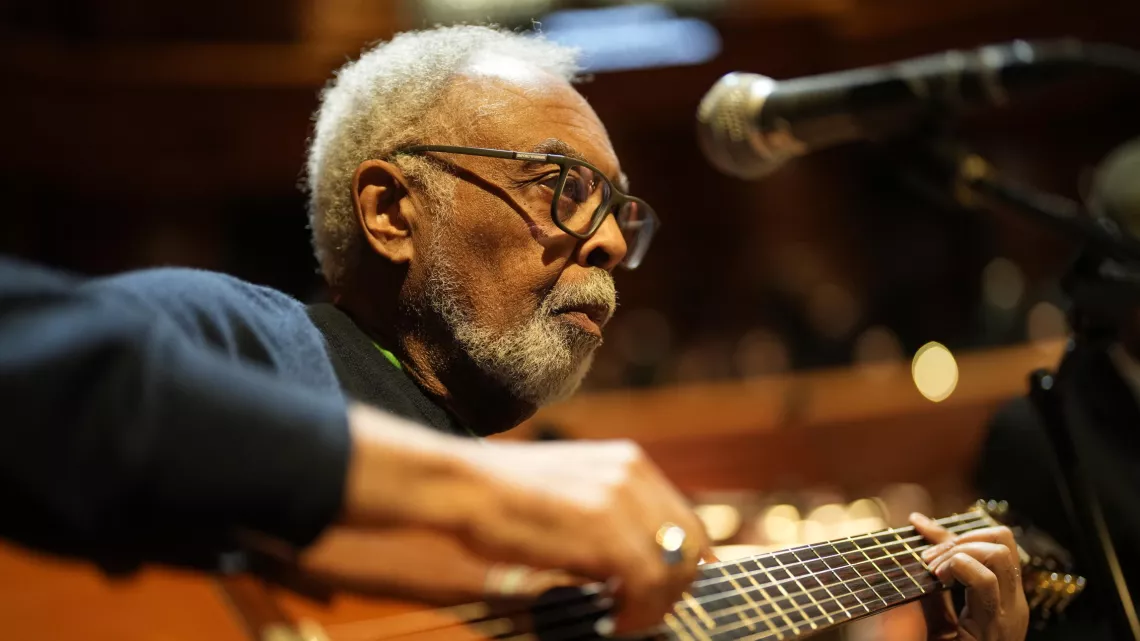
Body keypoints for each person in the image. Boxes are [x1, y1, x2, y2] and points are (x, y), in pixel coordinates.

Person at [2, 24, 1029, 639]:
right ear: (392, 212)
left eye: (621, 213)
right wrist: (472, 491)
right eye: (563, 187)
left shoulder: (547, 518)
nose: (611, 244)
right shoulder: (243, 340)